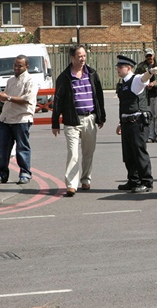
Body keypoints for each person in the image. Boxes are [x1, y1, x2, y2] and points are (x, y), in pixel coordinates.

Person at [52, 45, 106, 197]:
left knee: (88, 152)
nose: (83, 59)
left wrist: (101, 117)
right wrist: (55, 123)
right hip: (72, 120)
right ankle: (71, 184)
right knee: (73, 153)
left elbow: (99, 97)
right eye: (79, 56)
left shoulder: (92, 74)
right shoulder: (64, 77)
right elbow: (57, 101)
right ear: (72, 58)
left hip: (90, 118)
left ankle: (85, 179)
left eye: (84, 56)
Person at [114, 55, 157, 193]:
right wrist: (120, 122)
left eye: (120, 67)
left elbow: (144, 78)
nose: (117, 69)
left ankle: (146, 182)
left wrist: (151, 71)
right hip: (126, 122)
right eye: (117, 67)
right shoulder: (123, 82)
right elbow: (124, 105)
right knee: (128, 154)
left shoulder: (135, 80)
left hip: (137, 123)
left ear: (128, 68)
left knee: (139, 153)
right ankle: (133, 180)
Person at [0, 54, 38, 185]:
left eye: (19, 66)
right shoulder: (10, 81)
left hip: (21, 119)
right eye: (15, 65)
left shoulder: (30, 81)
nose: (16, 68)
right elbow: (6, 97)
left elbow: (26, 99)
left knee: (22, 148)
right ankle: (2, 174)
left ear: (27, 66)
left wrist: (7, 97)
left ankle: (25, 173)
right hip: (6, 119)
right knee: (3, 149)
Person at [134, 48, 157, 143]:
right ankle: (150, 135)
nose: (149, 57)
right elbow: (137, 79)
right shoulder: (141, 66)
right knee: (149, 115)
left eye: (150, 55)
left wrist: (154, 83)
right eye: (147, 56)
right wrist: (145, 85)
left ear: (154, 55)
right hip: (146, 94)